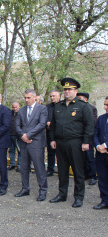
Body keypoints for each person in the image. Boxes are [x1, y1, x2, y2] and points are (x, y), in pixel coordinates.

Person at [49, 77, 94, 208]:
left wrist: (86, 142)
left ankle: (79, 197)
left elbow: (89, 125)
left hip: (76, 143)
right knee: (62, 171)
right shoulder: (58, 106)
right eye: (65, 90)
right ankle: (62, 194)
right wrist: (52, 139)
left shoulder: (83, 106)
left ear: (76, 91)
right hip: (60, 143)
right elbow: (52, 126)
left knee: (78, 171)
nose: (67, 92)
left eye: (70, 89)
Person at [15, 89, 48, 201]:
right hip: (24, 142)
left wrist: (28, 135)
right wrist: (23, 135)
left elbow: (42, 124)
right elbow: (17, 125)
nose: (26, 100)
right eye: (25, 98)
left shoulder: (42, 109)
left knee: (39, 168)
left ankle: (43, 190)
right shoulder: (22, 110)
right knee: (24, 167)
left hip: (36, 142)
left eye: (28, 98)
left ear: (35, 97)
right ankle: (25, 188)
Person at [77, 92, 98, 185]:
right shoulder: (77, 107)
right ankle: (85, 174)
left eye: (80, 98)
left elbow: (92, 122)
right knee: (82, 157)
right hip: (79, 136)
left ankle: (93, 176)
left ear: (86, 99)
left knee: (89, 157)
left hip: (88, 137)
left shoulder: (91, 108)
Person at [92, 96, 108, 209]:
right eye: (105, 104)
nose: (105, 107)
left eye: (107, 105)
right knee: (102, 178)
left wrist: (106, 145)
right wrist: (98, 146)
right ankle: (105, 200)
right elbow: (95, 133)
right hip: (101, 154)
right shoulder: (101, 118)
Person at [46, 90, 61, 176]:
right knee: (50, 152)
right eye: (51, 96)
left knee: (60, 153)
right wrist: (46, 122)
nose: (52, 98)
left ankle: (61, 170)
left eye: (54, 96)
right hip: (50, 133)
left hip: (60, 133)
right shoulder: (47, 107)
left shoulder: (63, 106)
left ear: (59, 96)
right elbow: (43, 117)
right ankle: (50, 169)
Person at [8, 102, 21, 171]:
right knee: (11, 150)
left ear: (19, 107)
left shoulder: (22, 114)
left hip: (18, 135)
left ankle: (19, 165)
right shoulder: (10, 114)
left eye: (16, 107)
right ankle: (12, 164)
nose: (14, 108)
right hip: (10, 134)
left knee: (19, 150)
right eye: (13, 107)